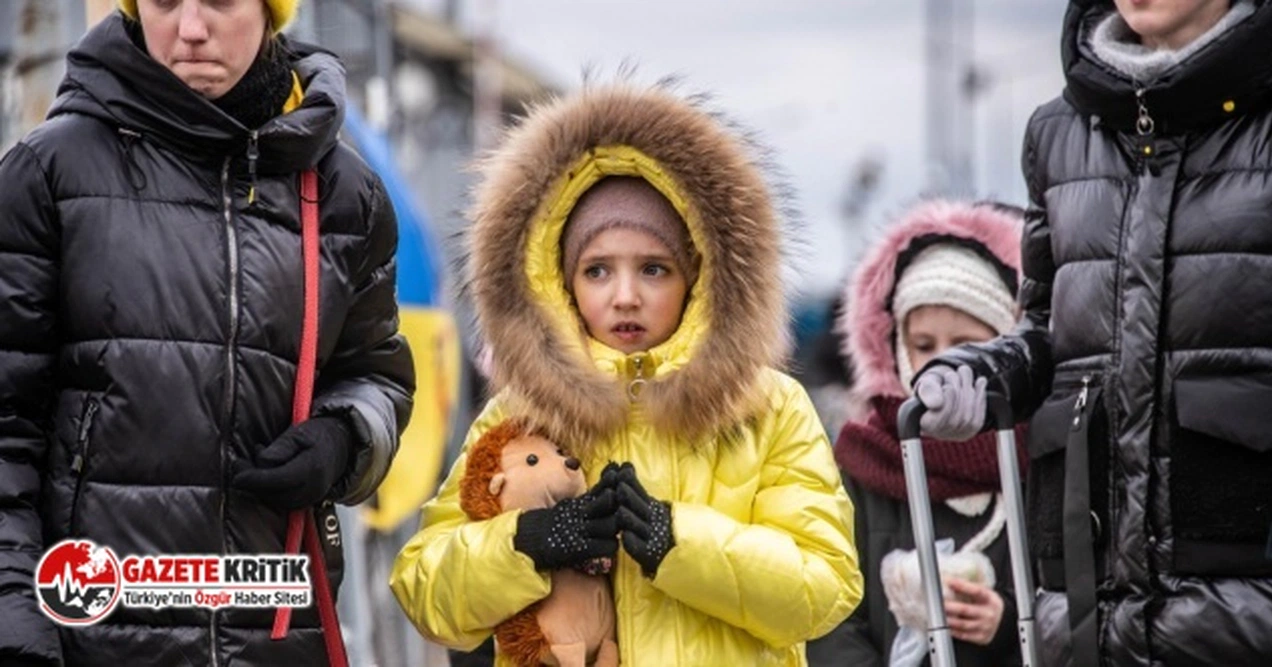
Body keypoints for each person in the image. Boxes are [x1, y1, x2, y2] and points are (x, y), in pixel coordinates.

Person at [390, 83, 862, 666]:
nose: (626, 297)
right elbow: (424, 590)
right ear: (559, 281)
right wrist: (528, 544)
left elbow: (826, 586)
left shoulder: (771, 408)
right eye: (597, 271)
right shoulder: (520, 413)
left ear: (699, 274)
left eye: (655, 268)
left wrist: (678, 542)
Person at [0, 1, 415, 664]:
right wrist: (13, 620)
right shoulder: (48, 175)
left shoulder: (344, 195)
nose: (190, 29)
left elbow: (378, 376)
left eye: (220, 1)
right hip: (93, 637)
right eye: (164, 2)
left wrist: (344, 436)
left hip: (278, 636)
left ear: (270, 13)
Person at [912, 1, 1272, 664]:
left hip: (1248, 617)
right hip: (1085, 619)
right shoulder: (1057, 131)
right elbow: (1050, 332)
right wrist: (981, 372)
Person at [805, 200, 1027, 667]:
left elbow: (1078, 605)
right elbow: (827, 612)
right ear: (898, 351)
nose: (940, 364)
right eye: (923, 345)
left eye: (966, 345)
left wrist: (1007, 624)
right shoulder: (866, 460)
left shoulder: (1038, 456)